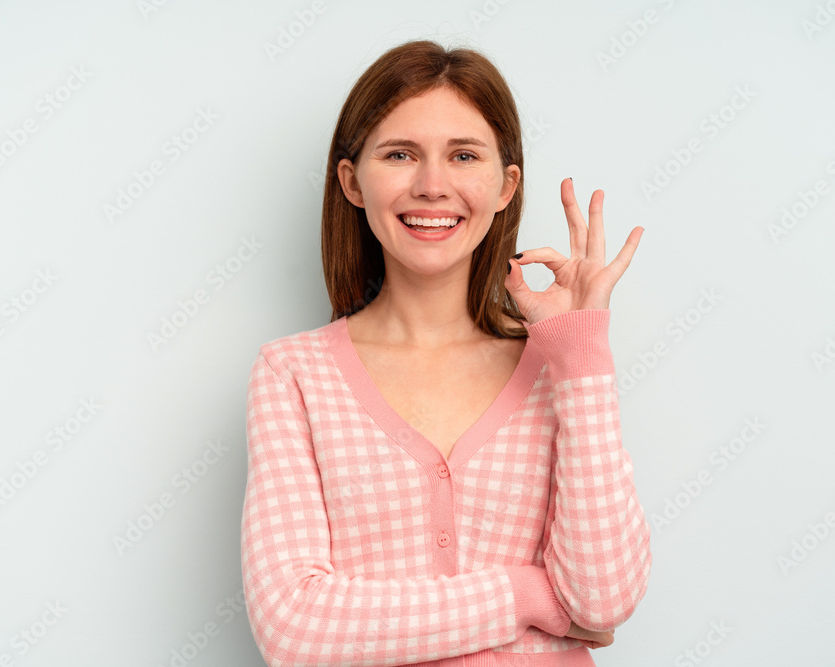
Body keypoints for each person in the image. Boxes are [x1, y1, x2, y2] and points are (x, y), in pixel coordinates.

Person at [241, 38, 651, 666]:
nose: (432, 186)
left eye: (463, 155)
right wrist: (530, 595)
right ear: (352, 182)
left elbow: (602, 600)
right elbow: (296, 631)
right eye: (399, 154)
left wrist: (581, 354)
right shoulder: (293, 375)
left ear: (505, 186)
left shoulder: (560, 368)